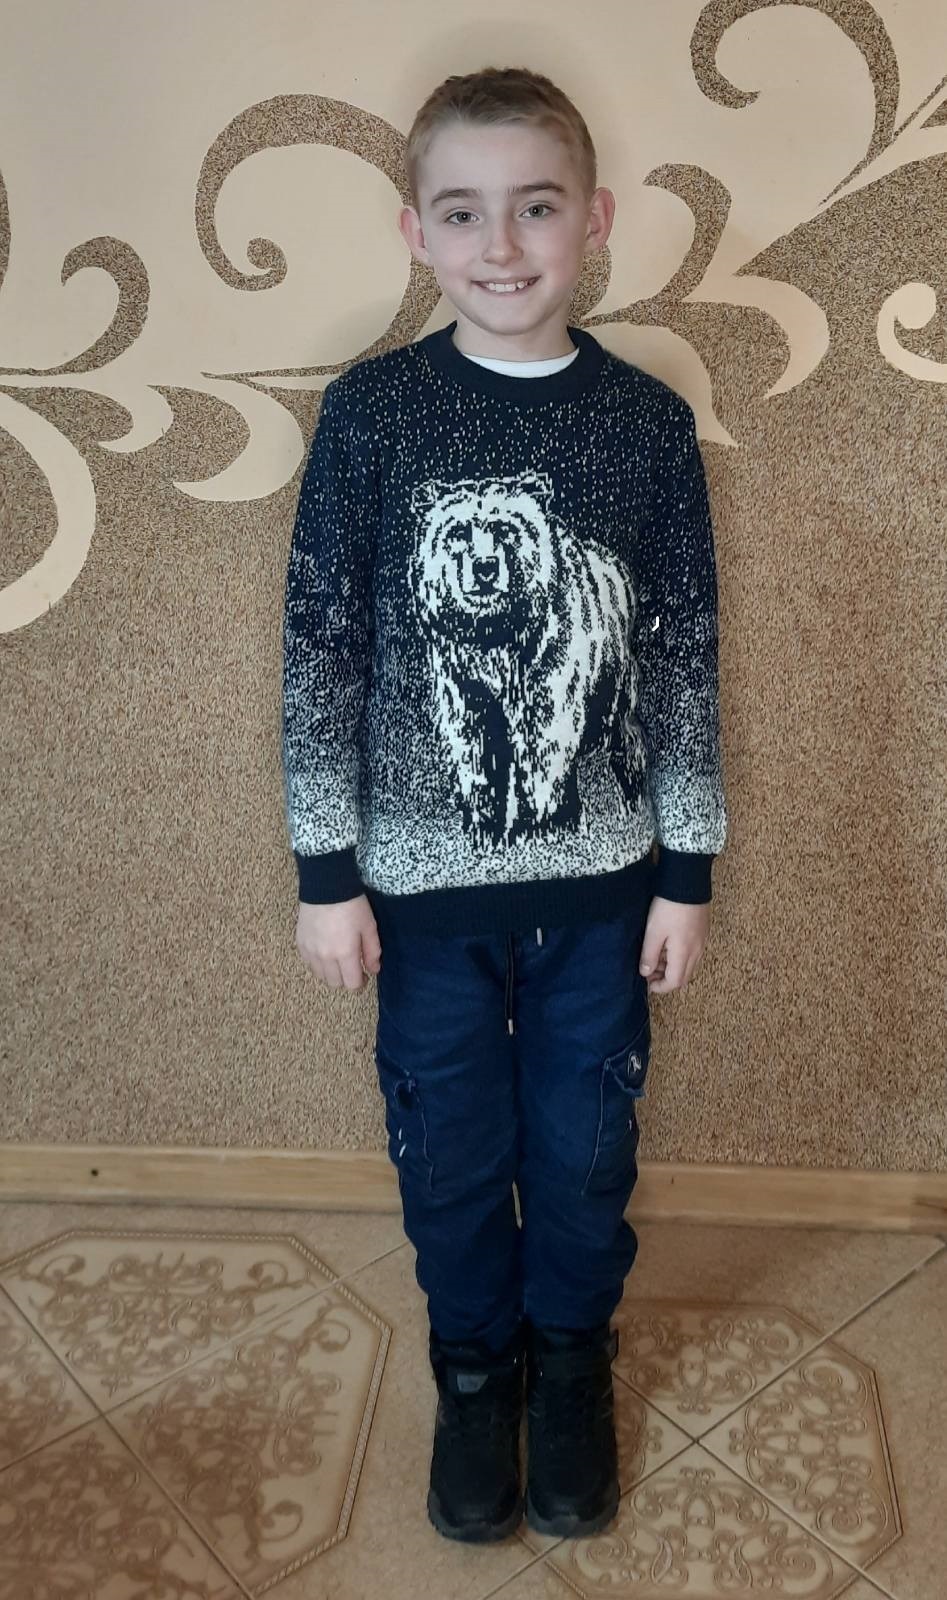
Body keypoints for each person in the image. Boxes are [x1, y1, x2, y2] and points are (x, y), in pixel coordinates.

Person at [281, 64, 728, 1545]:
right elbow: (324, 650)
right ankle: (475, 1369)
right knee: (451, 1150)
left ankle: (571, 1358)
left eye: (536, 207)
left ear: (593, 220)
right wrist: (327, 873)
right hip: (418, 900)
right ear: (416, 233)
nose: (502, 244)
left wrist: (687, 867)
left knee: (588, 1150)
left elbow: (683, 653)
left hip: (605, 892)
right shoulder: (374, 415)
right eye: (464, 212)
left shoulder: (646, 426)